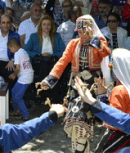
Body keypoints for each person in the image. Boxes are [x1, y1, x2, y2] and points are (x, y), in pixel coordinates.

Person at [40, 15, 111, 153]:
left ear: (90, 29)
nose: (81, 34)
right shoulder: (73, 44)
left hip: (93, 86)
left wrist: (95, 41)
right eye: (79, 31)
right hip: (75, 85)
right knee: (75, 119)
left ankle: (80, 149)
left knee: (82, 117)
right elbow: (62, 61)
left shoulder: (99, 41)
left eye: (84, 30)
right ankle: (79, 150)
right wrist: (49, 79)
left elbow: (106, 53)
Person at [92, 48, 130, 152]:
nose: (111, 69)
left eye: (112, 66)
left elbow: (112, 120)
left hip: (120, 137)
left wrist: (100, 97)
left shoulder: (119, 90)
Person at [8, 38, 34, 120]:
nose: (10, 51)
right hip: (27, 75)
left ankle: (25, 114)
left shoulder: (17, 53)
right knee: (14, 91)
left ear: (14, 46)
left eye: (10, 49)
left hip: (25, 77)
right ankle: (17, 110)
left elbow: (18, 67)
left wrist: (14, 75)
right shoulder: (23, 51)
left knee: (18, 97)